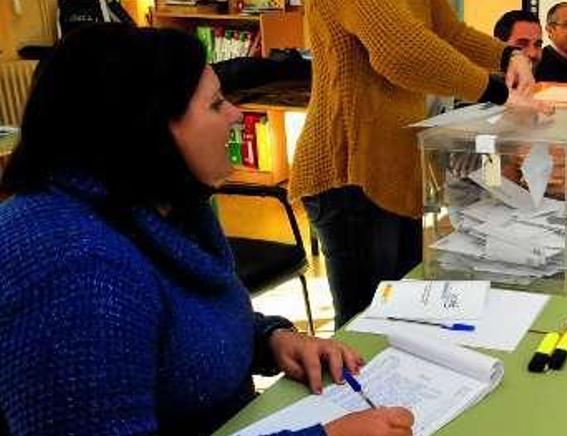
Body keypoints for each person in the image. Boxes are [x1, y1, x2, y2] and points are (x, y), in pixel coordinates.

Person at [0, 24, 412, 435]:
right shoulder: (76, 273)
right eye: (215, 105)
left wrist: (272, 340)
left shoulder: (165, 204)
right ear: (150, 128)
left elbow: (187, 335)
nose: (235, 114)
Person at [293, 0, 551, 326]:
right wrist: (495, 88)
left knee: (402, 311)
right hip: (350, 170)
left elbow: (447, 30)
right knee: (366, 327)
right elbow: (401, 49)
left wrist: (509, 57)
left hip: (390, 165)